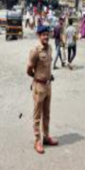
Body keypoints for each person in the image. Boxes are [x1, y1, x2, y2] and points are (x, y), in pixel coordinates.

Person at [27, 25, 59, 154]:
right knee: (37, 115)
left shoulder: (50, 48)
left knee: (47, 114)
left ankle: (46, 137)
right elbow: (29, 69)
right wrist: (37, 79)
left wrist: (48, 77)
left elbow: (47, 67)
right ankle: (37, 140)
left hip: (48, 85)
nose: (46, 36)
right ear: (38, 35)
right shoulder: (35, 50)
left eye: (47, 34)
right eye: (43, 34)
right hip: (39, 87)